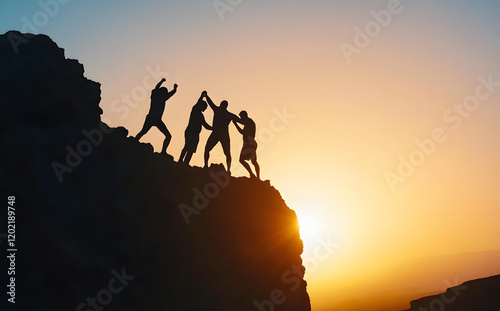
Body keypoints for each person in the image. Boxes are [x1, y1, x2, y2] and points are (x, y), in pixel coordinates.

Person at [135, 78, 178, 155]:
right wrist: (161, 82)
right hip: (151, 118)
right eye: (164, 92)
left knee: (168, 136)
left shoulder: (163, 98)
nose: (165, 94)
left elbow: (171, 93)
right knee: (143, 132)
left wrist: (175, 89)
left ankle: (163, 151)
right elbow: (156, 88)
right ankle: (134, 142)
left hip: (157, 120)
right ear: (161, 92)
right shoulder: (154, 95)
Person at [203, 91, 240, 174]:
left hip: (219, 134)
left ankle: (227, 169)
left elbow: (210, 103)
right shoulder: (227, 114)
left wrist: (206, 96)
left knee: (223, 152)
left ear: (222, 105)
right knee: (210, 149)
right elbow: (210, 103)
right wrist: (206, 96)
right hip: (219, 134)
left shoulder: (220, 111)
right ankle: (227, 169)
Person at [179, 92, 213, 165]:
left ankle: (185, 162)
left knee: (190, 149)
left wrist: (213, 128)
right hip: (191, 132)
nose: (205, 109)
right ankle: (181, 161)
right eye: (205, 107)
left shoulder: (201, 115)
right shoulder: (195, 110)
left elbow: (206, 126)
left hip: (195, 133)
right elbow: (198, 102)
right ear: (201, 106)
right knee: (187, 147)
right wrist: (202, 96)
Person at [233, 111, 260, 179]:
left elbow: (242, 130)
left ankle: (254, 175)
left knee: (243, 160)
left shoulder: (249, 122)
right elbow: (242, 129)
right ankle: (255, 176)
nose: (241, 119)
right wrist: (236, 123)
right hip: (250, 143)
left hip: (249, 143)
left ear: (244, 116)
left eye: (241, 117)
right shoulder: (248, 122)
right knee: (253, 161)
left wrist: (235, 123)